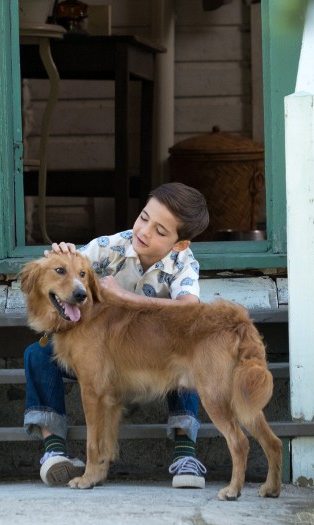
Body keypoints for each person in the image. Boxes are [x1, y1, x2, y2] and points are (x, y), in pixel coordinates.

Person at [23, 182, 211, 489]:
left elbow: (189, 311)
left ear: (180, 244)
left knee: (187, 353)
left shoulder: (184, 265)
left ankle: (184, 452)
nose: (145, 232)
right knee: (37, 354)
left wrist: (126, 298)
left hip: (152, 357)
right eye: (144, 217)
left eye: (161, 231)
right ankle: (54, 451)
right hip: (98, 352)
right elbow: (64, 272)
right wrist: (61, 257)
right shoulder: (108, 247)